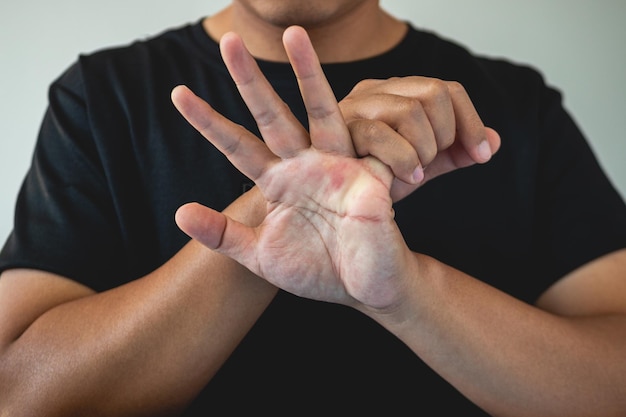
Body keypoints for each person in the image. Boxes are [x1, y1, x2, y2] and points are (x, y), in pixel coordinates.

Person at [1, 1, 625, 415]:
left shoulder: (512, 107)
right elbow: (18, 393)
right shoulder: (101, 96)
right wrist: (267, 223)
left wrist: (409, 295)